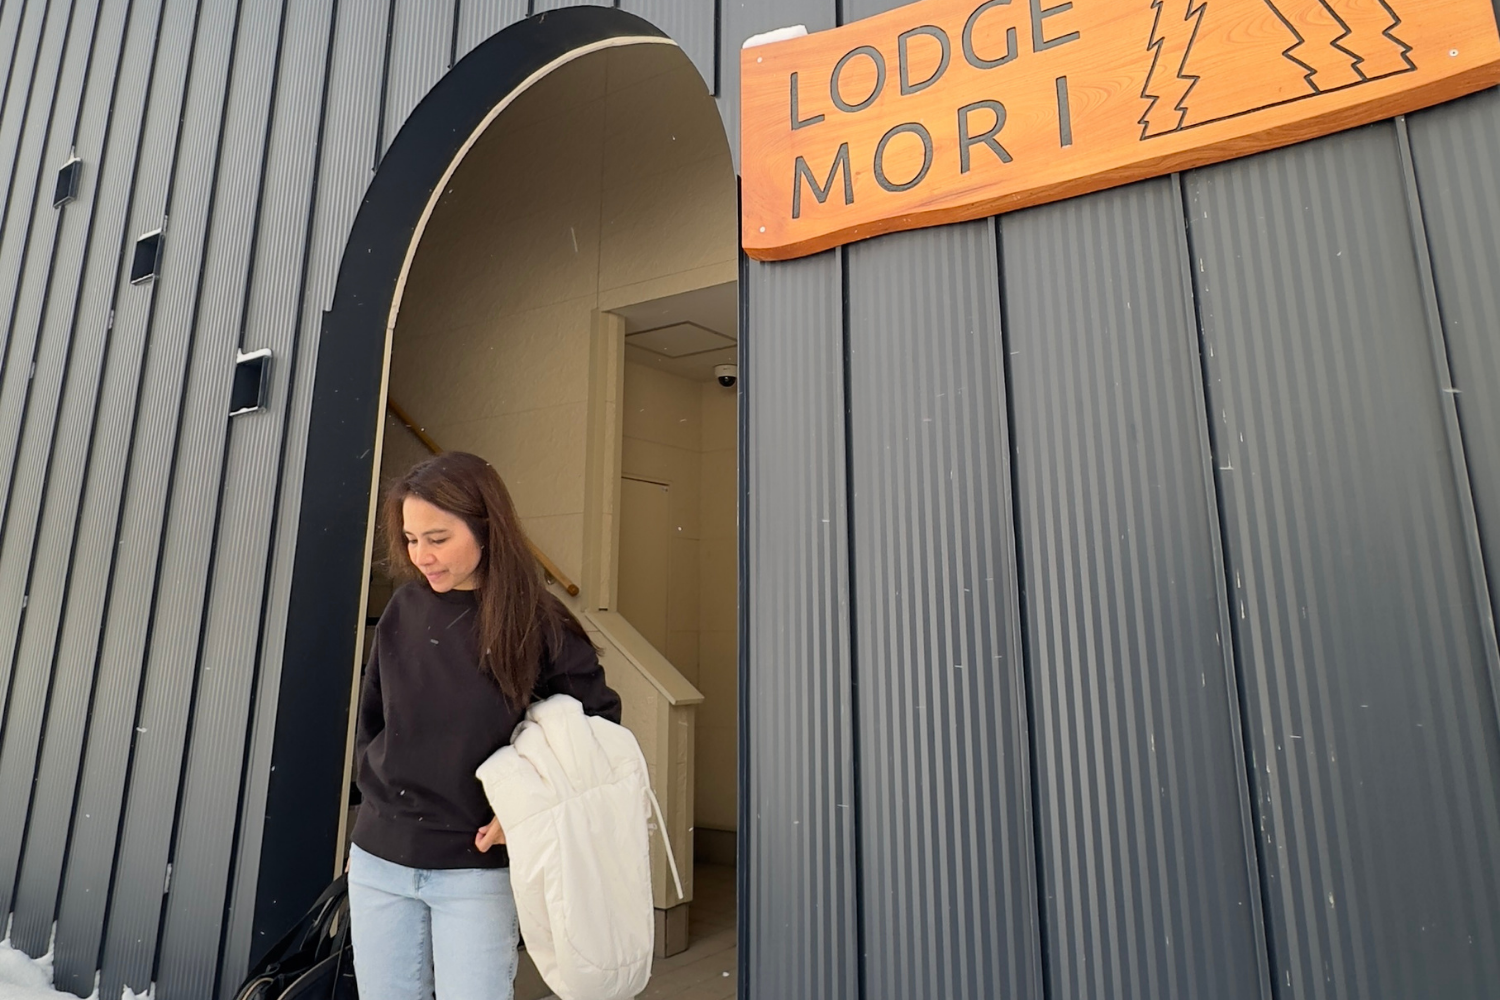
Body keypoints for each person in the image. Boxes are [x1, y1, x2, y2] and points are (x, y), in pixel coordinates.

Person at [347, 451, 622, 1000]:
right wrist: (375, 797)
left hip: (477, 869)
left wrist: (522, 810)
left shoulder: (539, 621)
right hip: (379, 858)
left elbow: (593, 729)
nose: (420, 555)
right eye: (410, 538)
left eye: (438, 538)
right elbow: (373, 718)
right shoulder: (403, 608)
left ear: (486, 527)